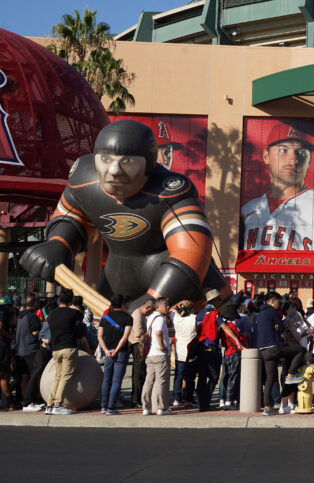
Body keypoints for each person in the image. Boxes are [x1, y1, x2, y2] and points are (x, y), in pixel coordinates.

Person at [20, 120, 232, 314]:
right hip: (118, 275)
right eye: (105, 159)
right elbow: (70, 219)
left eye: (127, 161)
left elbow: (189, 253)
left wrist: (154, 298)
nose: (114, 170)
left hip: (177, 282)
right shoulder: (84, 180)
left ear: (148, 164)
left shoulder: (170, 192)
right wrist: (58, 244)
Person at [242, 122, 314, 252]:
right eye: (283, 150)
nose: (293, 159)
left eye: (301, 152)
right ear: (266, 156)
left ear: (309, 161)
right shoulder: (247, 210)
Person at [254, 291, 306, 416]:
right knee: (301, 350)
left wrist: (276, 326)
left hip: (263, 350)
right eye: (278, 302)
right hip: (274, 347)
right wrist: (280, 326)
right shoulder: (272, 311)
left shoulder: (259, 314)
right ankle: (291, 374)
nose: (279, 305)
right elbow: (282, 328)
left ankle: (267, 407)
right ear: (272, 301)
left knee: (270, 378)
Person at [44, 289, 87, 415]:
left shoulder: (51, 314)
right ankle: (58, 404)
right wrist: (73, 306)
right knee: (66, 376)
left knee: (58, 375)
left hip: (55, 348)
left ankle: (49, 404)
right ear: (71, 300)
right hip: (68, 346)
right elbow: (81, 315)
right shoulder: (73, 313)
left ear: (59, 299)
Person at [97, 293, 133, 415]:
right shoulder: (128, 317)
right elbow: (125, 336)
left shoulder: (105, 318)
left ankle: (103, 406)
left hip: (107, 353)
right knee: (116, 381)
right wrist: (116, 350)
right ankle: (111, 408)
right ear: (123, 303)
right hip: (121, 352)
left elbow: (100, 336)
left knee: (106, 380)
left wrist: (106, 350)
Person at [141, 297, 172, 416]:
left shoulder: (150, 318)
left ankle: (146, 407)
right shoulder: (159, 319)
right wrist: (162, 347)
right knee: (161, 381)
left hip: (150, 354)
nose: (168, 307)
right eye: (166, 305)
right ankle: (161, 408)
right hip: (160, 354)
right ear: (158, 307)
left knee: (149, 381)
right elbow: (158, 333)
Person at [15, 296, 45, 412]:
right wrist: (43, 330)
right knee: (35, 376)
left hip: (20, 350)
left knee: (25, 377)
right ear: (34, 304)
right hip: (30, 349)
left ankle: (25, 400)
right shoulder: (32, 316)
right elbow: (34, 332)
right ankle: (30, 402)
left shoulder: (20, 316)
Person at [169, 301, 196, 408]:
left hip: (178, 351)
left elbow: (171, 308)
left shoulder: (176, 317)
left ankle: (176, 398)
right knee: (190, 377)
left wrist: (179, 304)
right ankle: (188, 398)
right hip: (190, 352)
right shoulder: (194, 318)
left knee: (178, 376)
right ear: (192, 310)